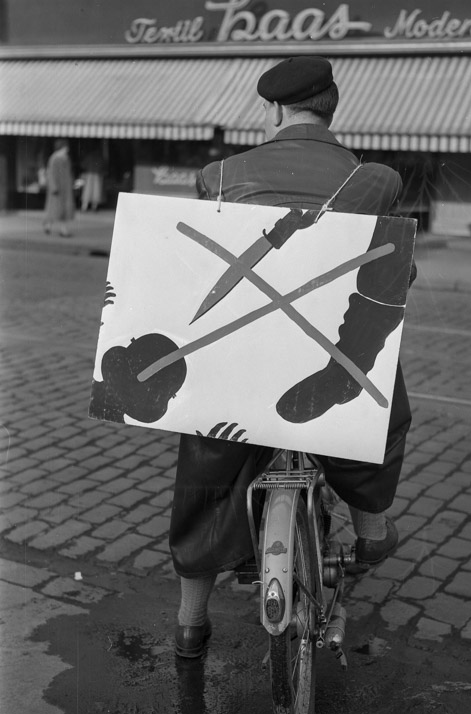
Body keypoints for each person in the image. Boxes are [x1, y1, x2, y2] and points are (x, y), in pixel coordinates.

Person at [170, 56, 416, 658]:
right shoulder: (370, 179)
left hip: (240, 364)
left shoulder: (220, 175)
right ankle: (370, 531)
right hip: (328, 358)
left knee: (204, 459)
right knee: (383, 405)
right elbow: (394, 274)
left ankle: (189, 624)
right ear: (332, 109)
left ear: (275, 110)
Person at [43, 139, 75, 237]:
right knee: (55, 209)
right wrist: (53, 187)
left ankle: (62, 229)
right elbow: (50, 174)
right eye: (65, 147)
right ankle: (50, 226)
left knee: (63, 210)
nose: (67, 149)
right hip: (57, 189)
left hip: (65, 188)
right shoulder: (54, 159)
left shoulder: (65, 158)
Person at [80, 147, 106, 212]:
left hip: (89, 174)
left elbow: (83, 165)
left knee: (87, 191)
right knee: (96, 191)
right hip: (97, 175)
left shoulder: (89, 157)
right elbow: (104, 166)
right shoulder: (100, 157)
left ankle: (84, 207)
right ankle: (94, 207)